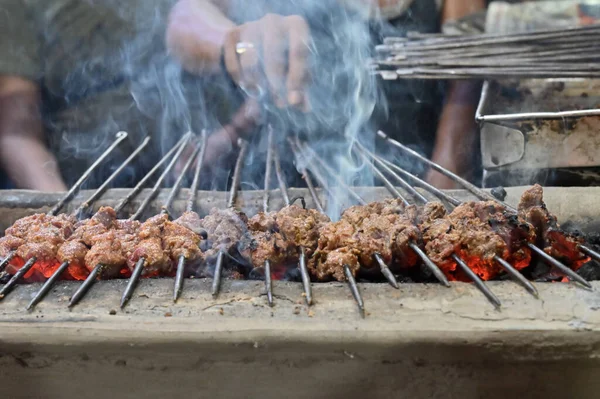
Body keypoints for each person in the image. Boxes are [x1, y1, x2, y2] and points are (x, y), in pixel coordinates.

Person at [0, 0, 485, 192]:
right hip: (274, 179)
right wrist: (237, 43)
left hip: (406, 176)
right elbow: (187, 19)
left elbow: (466, 80)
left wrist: (440, 191)